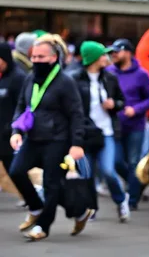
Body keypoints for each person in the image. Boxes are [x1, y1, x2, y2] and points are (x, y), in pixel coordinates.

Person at [9, 39, 92, 241]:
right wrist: (16, 131)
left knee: (51, 184)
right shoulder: (30, 78)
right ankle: (44, 208)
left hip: (58, 139)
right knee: (16, 171)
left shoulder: (65, 82)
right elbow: (21, 106)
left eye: (41, 57)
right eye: (34, 57)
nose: (36, 60)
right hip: (33, 137)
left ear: (53, 58)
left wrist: (77, 144)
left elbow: (76, 115)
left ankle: (42, 226)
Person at [74, 41, 130, 222]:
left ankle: (121, 200)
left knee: (108, 171)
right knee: (86, 174)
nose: (107, 57)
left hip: (106, 133)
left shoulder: (110, 78)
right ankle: (91, 208)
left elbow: (122, 101)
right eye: (103, 55)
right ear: (93, 59)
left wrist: (115, 104)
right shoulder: (75, 79)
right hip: (85, 134)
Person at [107, 38, 149, 210]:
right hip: (114, 124)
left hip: (135, 125)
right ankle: (135, 183)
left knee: (134, 160)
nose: (113, 55)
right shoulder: (109, 72)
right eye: (111, 52)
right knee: (115, 161)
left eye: (116, 51)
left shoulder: (141, 74)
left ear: (128, 52)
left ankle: (132, 199)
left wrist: (136, 109)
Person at [0, 42, 39, 212]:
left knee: (16, 172)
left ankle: (36, 203)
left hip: (9, 135)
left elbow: (25, 106)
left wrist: (15, 128)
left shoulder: (18, 77)